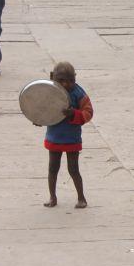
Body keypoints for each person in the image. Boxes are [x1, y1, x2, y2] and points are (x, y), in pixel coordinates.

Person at [43, 62, 93, 209]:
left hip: (72, 139)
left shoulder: (78, 93)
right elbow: (41, 109)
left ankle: (81, 198)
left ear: (75, 79)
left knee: (73, 169)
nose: (67, 84)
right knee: (53, 169)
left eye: (71, 80)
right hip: (54, 138)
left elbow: (89, 113)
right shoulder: (49, 92)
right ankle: (52, 197)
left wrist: (75, 114)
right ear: (53, 77)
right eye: (62, 80)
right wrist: (38, 120)